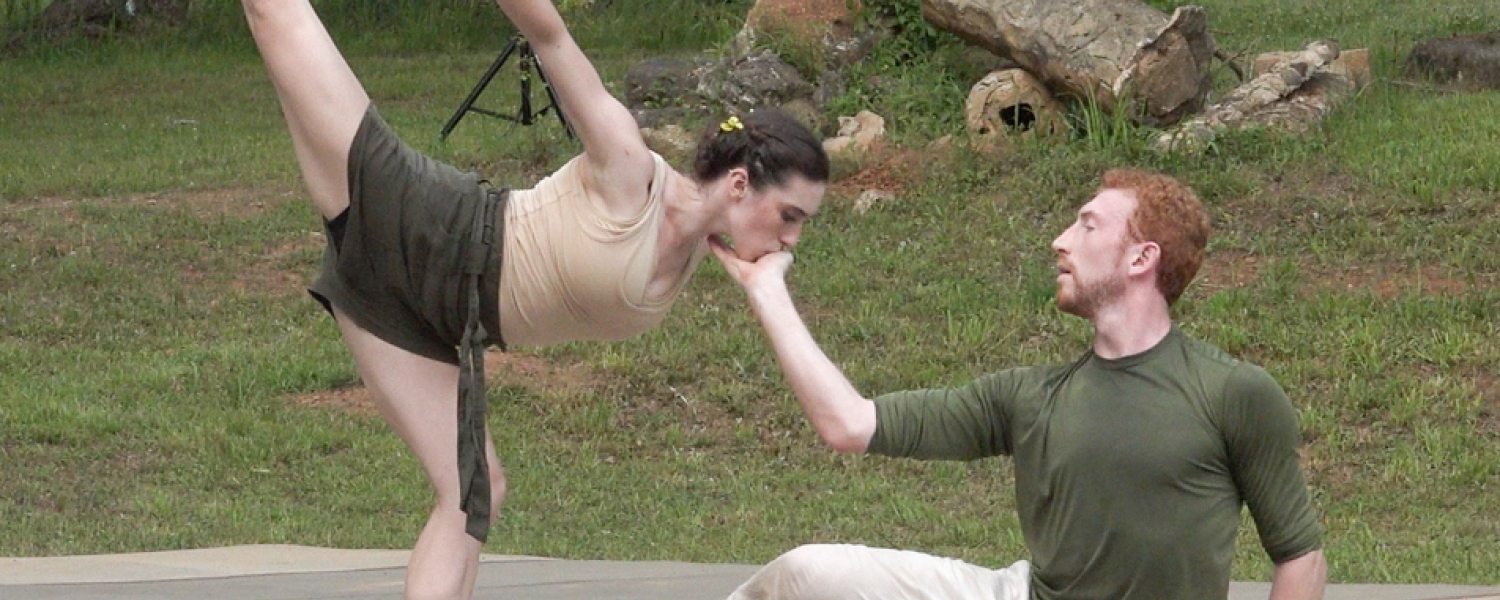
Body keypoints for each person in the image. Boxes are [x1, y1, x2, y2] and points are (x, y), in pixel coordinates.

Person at [240, 0, 829, 598]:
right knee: (276, 16)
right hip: (424, 227)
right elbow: (550, 38)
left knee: (474, 492)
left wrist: (763, 284)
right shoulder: (629, 170)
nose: (792, 238)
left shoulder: (708, 252)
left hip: (423, 318)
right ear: (738, 185)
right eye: (789, 216)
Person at [710, 169, 1327, 600]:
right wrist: (767, 290)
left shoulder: (1233, 393)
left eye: (1087, 226)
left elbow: (1299, 557)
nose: (1061, 240)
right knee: (808, 576)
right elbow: (849, 424)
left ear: (1142, 259)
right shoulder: (1030, 396)